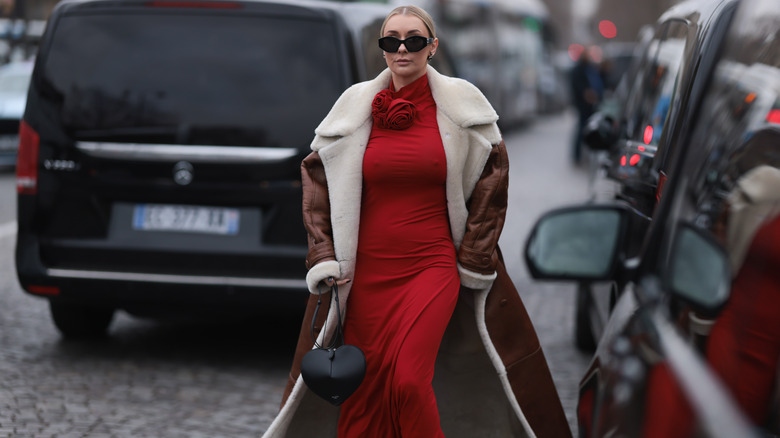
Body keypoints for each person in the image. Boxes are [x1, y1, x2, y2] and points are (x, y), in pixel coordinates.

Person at [262, 5, 571, 438]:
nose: (402, 48)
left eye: (414, 39)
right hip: (364, 274)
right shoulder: (354, 107)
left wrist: (475, 256)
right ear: (382, 49)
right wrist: (324, 255)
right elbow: (317, 181)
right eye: (391, 40)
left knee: (408, 380)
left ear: (433, 46)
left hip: (432, 266)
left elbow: (493, 177)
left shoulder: (462, 106)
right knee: (365, 388)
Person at [569, 46, 604, 164]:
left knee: (588, 129)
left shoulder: (591, 68)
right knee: (581, 129)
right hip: (583, 104)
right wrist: (586, 94)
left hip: (591, 104)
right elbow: (578, 86)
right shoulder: (579, 70)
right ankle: (577, 156)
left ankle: (584, 155)